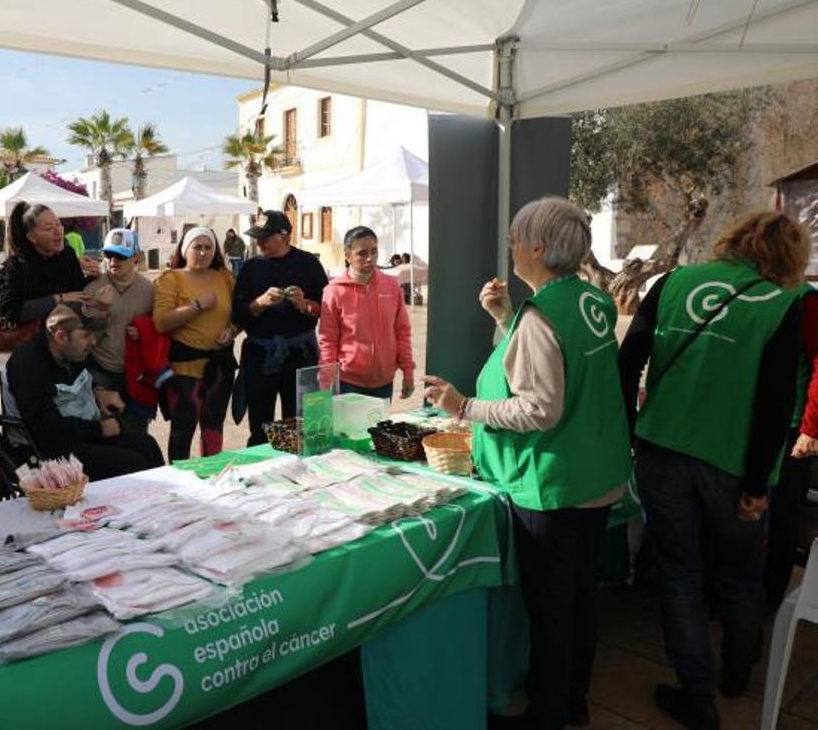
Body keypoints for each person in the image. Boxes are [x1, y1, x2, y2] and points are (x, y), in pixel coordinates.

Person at [423, 197, 631, 730]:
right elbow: (550, 360)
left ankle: (547, 713)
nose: (511, 247)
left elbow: (540, 405)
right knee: (582, 601)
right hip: (596, 474)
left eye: (515, 238)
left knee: (551, 612)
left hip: (552, 483)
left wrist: (463, 407)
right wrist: (504, 316)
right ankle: (573, 702)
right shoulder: (590, 299)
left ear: (537, 247)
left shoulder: (543, 315)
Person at [617, 210, 809, 727]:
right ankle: (737, 672)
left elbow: (629, 359)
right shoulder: (785, 302)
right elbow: (774, 402)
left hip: (661, 449)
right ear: (791, 255)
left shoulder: (675, 281)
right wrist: (754, 486)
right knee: (741, 575)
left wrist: (629, 429)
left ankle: (695, 694)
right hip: (733, 464)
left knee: (680, 574)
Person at [7, 301, 164, 478]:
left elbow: (84, 378)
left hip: (81, 431)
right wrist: (100, 429)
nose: (93, 341)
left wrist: (99, 391)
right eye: (86, 335)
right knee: (131, 463)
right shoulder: (29, 364)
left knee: (147, 445)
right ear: (61, 337)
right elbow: (45, 427)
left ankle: (167, 500)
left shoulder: (72, 351)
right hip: (49, 445)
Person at [233, 210, 328, 446]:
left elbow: (326, 310)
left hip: (299, 355)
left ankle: (296, 474)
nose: (260, 242)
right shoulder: (250, 267)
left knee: (299, 424)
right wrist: (260, 303)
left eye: (266, 237)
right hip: (260, 354)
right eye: (258, 237)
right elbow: (238, 313)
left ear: (284, 237)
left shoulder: (309, 264)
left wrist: (304, 305)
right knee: (260, 427)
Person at [154, 228, 238, 461]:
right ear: (184, 249)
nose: (202, 253)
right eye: (196, 247)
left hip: (220, 368)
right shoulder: (171, 279)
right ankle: (178, 480)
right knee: (183, 430)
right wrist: (197, 305)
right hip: (184, 371)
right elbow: (161, 322)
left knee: (213, 427)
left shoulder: (225, 278)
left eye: (208, 247)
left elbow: (238, 316)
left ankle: (210, 476)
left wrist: (231, 330)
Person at [765, 288, 818, 611]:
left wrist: (811, 428)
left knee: (781, 515)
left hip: (790, 429)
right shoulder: (750, 289)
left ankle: (770, 598)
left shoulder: (804, 300)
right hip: (748, 424)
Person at [319, 226, 415, 401]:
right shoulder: (333, 292)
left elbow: (402, 332)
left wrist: (408, 372)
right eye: (362, 253)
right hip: (349, 383)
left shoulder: (391, 286)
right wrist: (326, 381)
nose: (370, 258)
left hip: (384, 384)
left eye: (374, 251)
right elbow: (328, 340)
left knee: (380, 429)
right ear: (348, 256)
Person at [84, 228, 156, 435]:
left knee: (137, 433)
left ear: (135, 257)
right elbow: (85, 339)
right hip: (102, 371)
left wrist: (145, 332)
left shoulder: (149, 290)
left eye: (121, 256)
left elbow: (159, 329)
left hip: (136, 374)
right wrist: (100, 311)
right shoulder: (93, 288)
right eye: (109, 255)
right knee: (108, 433)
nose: (114, 261)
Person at [0, 201, 100, 328]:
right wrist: (58, 299)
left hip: (66, 337)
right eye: (49, 228)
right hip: (32, 340)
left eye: (58, 224)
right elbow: (10, 310)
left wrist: (95, 276)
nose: (58, 231)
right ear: (32, 237)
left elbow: (78, 293)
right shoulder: (17, 264)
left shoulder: (68, 255)